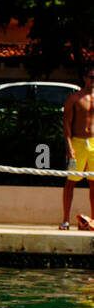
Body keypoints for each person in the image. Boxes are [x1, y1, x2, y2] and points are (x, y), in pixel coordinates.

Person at [61, 67, 94, 229]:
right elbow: (66, 123)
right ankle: (66, 219)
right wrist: (69, 145)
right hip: (78, 143)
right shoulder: (74, 98)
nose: (93, 80)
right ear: (85, 78)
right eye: (91, 77)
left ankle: (93, 220)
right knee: (70, 182)